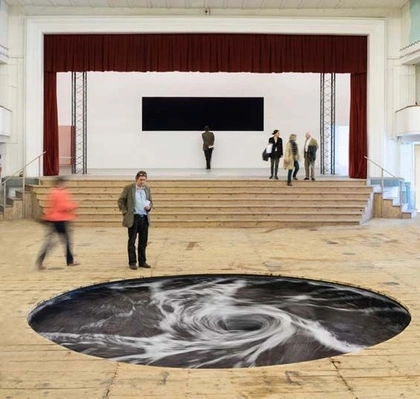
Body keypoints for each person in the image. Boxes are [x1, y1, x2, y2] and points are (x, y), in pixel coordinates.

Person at [35, 177, 79, 270]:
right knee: (66, 240)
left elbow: (51, 206)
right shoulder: (61, 193)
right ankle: (69, 261)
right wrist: (74, 206)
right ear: (60, 183)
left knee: (50, 242)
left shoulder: (52, 192)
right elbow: (63, 206)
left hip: (53, 219)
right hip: (60, 220)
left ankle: (40, 261)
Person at [118, 170, 153, 270]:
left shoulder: (147, 189)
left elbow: (150, 201)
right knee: (132, 240)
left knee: (143, 241)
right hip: (134, 217)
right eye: (140, 180)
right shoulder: (129, 188)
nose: (142, 182)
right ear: (136, 179)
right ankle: (132, 262)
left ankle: (142, 261)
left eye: (144, 180)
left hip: (144, 217)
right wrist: (125, 212)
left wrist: (149, 207)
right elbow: (121, 200)